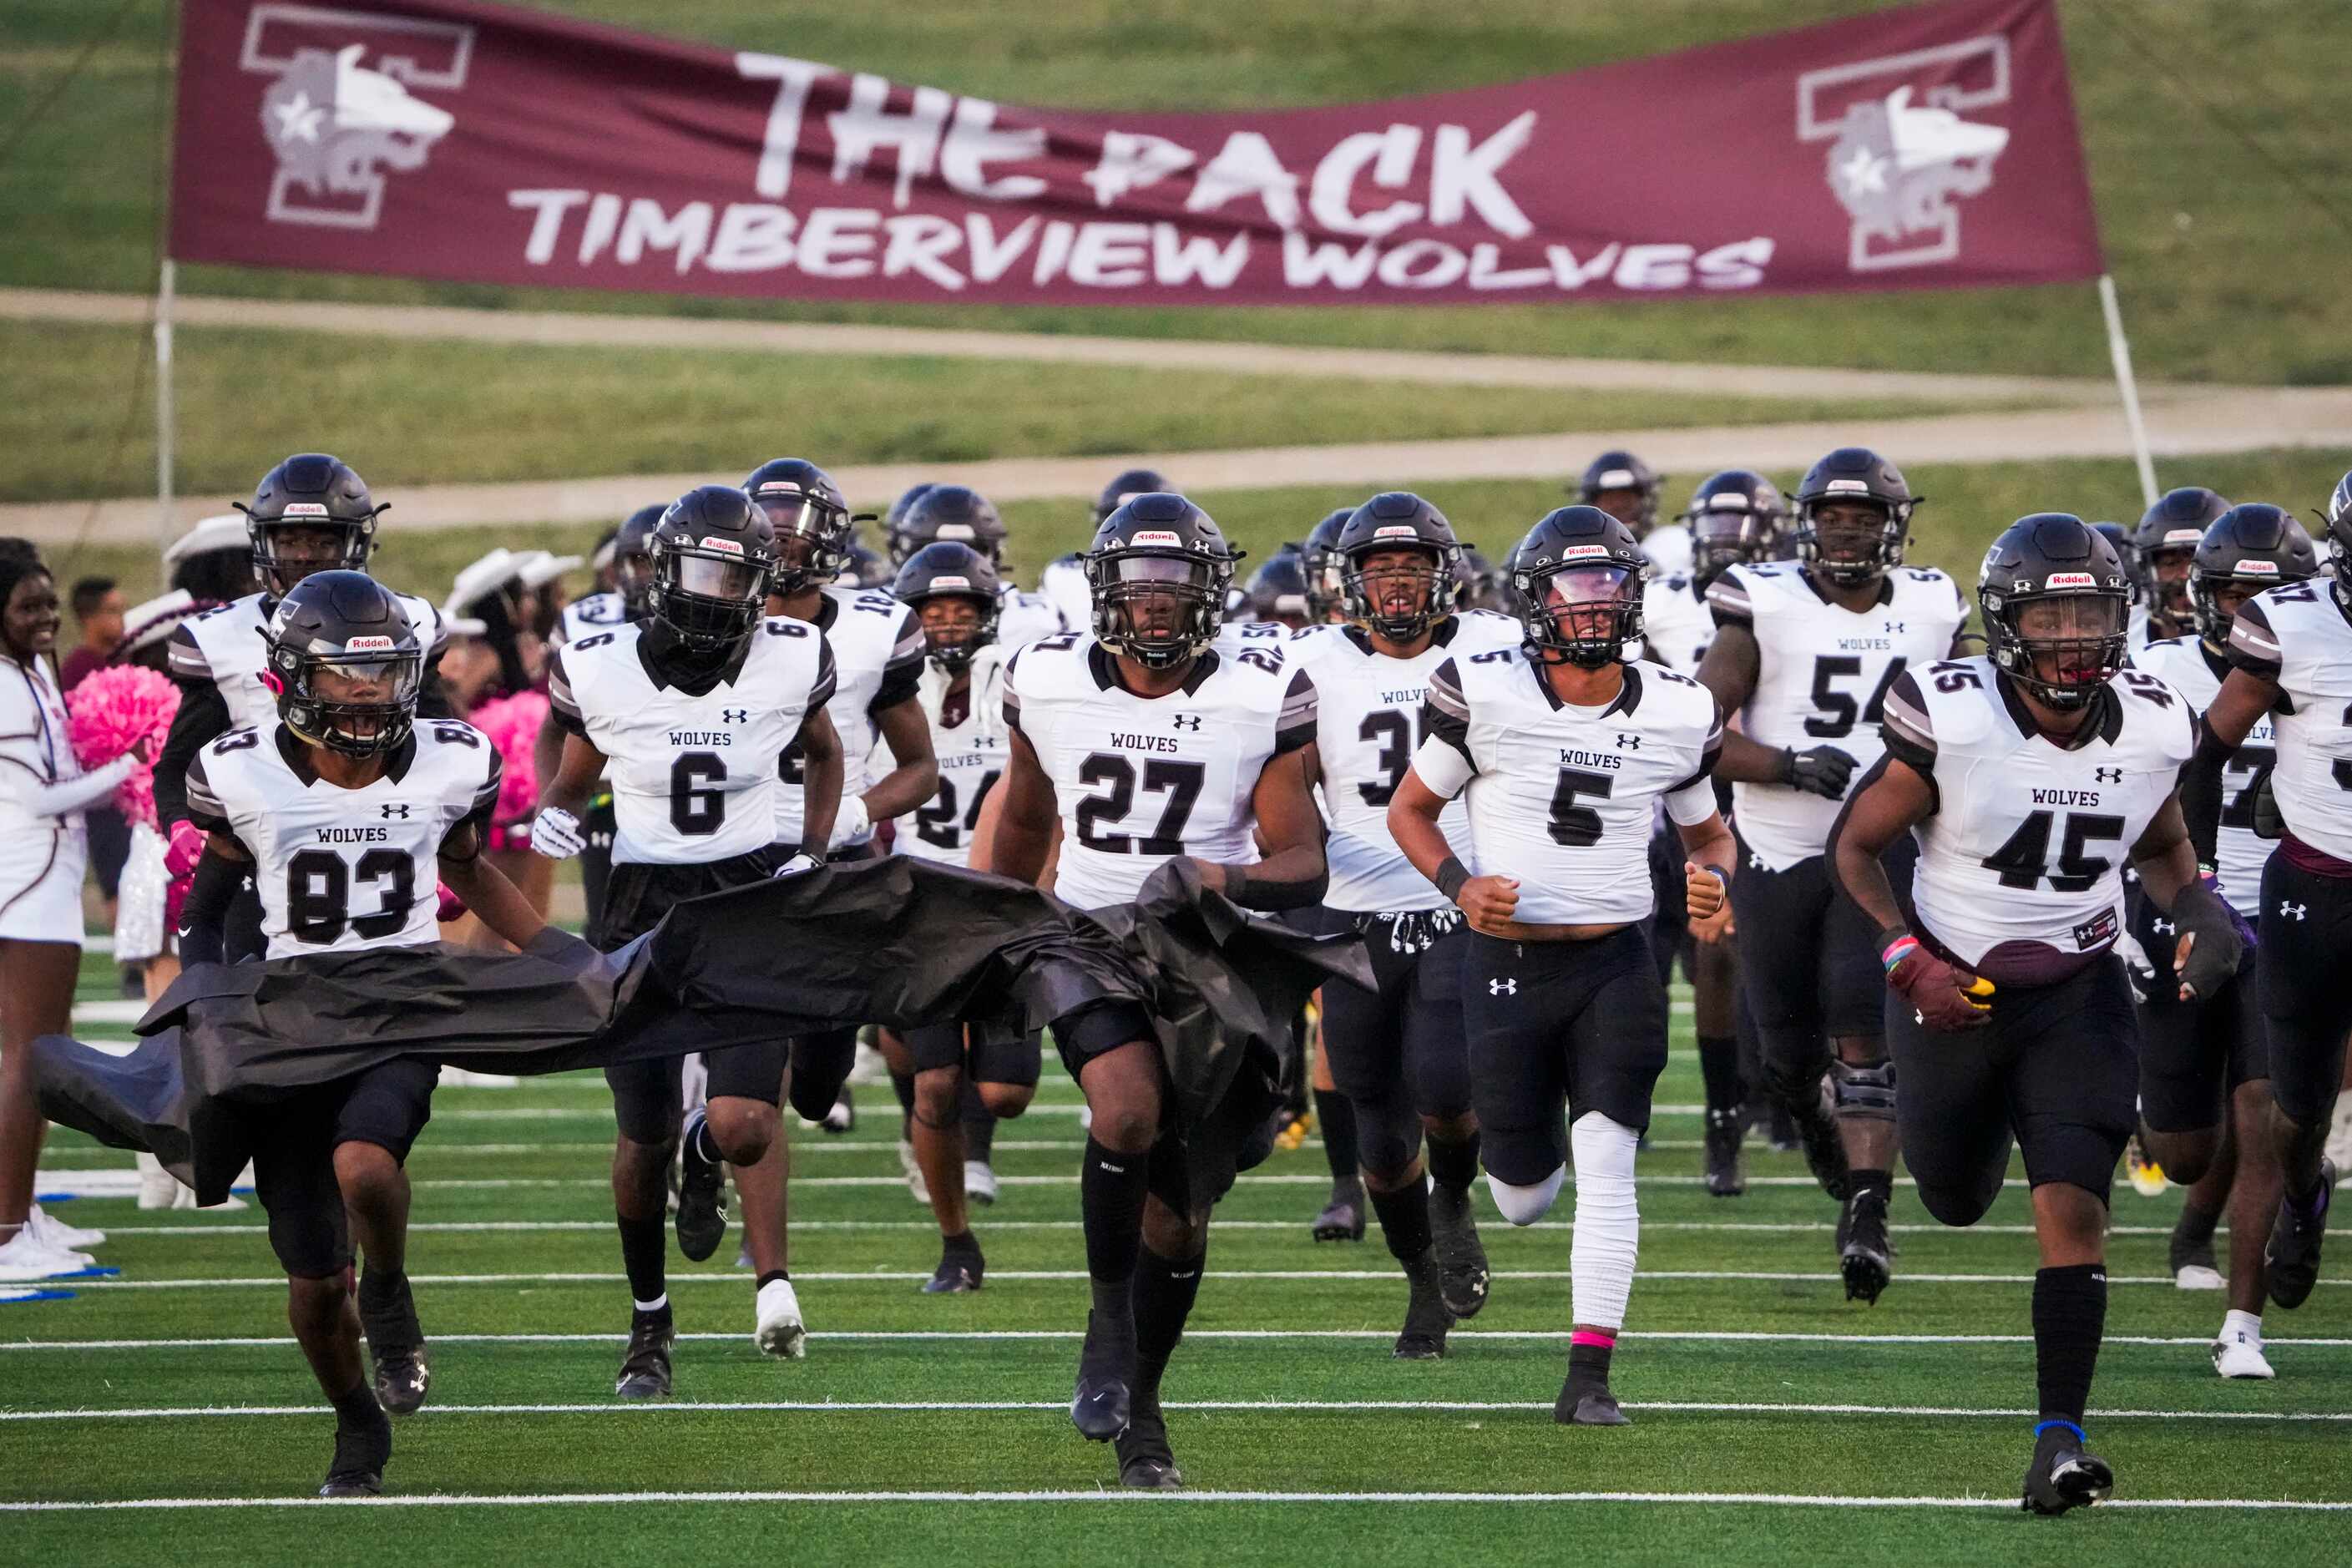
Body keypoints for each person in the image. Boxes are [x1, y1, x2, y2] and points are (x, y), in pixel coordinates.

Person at [1828, 512, 2237, 1514]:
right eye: (2049, 616)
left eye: (2090, 614)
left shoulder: (2150, 720)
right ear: (2007, 625)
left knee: (2076, 1206)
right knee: (1955, 1196)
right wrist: (1903, 956)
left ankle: (2060, 1440)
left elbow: (2163, 844)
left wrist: (2202, 907)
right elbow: (1853, 846)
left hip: (2078, 991)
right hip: (1952, 987)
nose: (2071, 638)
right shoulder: (1952, 715)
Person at [985, 490, 1326, 1488]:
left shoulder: (1259, 690)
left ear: (1209, 596)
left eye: (1177, 589)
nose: (1158, 607)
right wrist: (1000, 929)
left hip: (1207, 958)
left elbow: (1302, 859)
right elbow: (1023, 817)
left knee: (1178, 1219)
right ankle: (1102, 1321)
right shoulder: (1045, 678)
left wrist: (1221, 877)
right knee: (1124, 1112)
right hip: (1089, 936)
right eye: (1140, 590)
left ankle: (1145, 1404)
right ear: (1107, 596)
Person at [176, 570, 544, 1492]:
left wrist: (565, 956)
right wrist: (205, 1006)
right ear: (296, 675)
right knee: (308, 1283)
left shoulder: (450, 758)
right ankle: (354, 1420)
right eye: (345, 673)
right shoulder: (240, 769)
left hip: (400, 1004)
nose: (368, 692)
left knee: (365, 1163)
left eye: (382, 672)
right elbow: (209, 911)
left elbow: (471, 867)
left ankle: (388, 1284)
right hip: (288, 1019)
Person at [1388, 503, 1733, 1424]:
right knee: (1524, 1196)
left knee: (1609, 1160)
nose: (1592, 606)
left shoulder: (1679, 704)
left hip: (1618, 960)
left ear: (1633, 596)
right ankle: (1466, 1195)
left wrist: (1712, 881)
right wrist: (1461, 886)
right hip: (1505, 960)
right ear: (1538, 603)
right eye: (1575, 590)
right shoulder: (1486, 690)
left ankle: (1589, 1377)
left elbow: (1712, 837)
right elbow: (1410, 812)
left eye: (1608, 586)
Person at [532, 483, 844, 1389]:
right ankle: (648, 1324)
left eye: (732, 572)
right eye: (699, 567)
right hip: (641, 909)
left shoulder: (790, 656)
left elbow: (824, 752)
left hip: (747, 902)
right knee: (640, 1131)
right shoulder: (599, 662)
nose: (712, 589)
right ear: (663, 569)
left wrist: (811, 849)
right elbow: (576, 766)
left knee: (746, 1124)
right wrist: (553, 812)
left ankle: (703, 1159)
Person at [1694, 446, 1968, 1303]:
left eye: (1864, 517)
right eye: (1831, 517)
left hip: (1880, 853)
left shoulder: (1932, 605)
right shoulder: (1761, 601)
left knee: (1864, 1039)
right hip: (1778, 852)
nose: (1846, 531)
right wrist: (1779, 763)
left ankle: (1868, 1214)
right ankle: (1820, 1134)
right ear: (1805, 524)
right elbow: (1695, 729)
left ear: (1895, 526)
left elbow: (1974, 714)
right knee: (1786, 1058)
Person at [1292, 492, 1518, 1357]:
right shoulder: (1309, 660)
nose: (1395, 587)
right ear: (1350, 582)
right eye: (1381, 571)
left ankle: (1455, 1197)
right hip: (1353, 910)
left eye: (1412, 569)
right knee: (1378, 1135)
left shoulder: (1498, 645)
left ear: (1443, 574)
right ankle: (1420, 1275)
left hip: (1456, 902)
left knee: (1447, 1089)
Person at [2126, 503, 2312, 1377]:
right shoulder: (2155, 668)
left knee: (2265, 1111)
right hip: (2185, 910)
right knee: (2184, 1147)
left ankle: (2243, 1324)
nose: (2247, 613)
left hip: (2286, 916)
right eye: (2233, 594)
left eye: (2264, 596)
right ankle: (2165, 1156)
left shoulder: (2322, 655)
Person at [746, 458, 934, 1292]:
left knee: (818, 1086)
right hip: (736, 861)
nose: (784, 544)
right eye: (769, 526)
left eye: (798, 527)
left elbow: (921, 765)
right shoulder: (710, 616)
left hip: (835, 860)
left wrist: (854, 811)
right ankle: (755, 1234)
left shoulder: (872, 625)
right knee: (748, 1057)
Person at [155, 456, 448, 969]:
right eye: (290, 541)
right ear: (264, 543)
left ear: (354, 542)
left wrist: (450, 852)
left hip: (385, 832)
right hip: (266, 843)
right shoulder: (218, 638)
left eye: (323, 541)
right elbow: (180, 762)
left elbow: (439, 741)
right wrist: (182, 827)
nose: (306, 556)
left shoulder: (409, 623)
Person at [2176, 468, 2352, 1317]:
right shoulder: (2291, 622)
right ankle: (2304, 1196)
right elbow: (2207, 751)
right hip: (2314, 890)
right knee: (2297, 1109)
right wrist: (2201, 882)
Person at [881, 542, 1038, 1291]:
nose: (946, 625)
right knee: (936, 1086)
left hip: (1001, 901)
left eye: (960, 611)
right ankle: (955, 1244)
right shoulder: (882, 685)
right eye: (932, 612)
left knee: (1005, 1092)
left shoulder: (1021, 677)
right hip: (921, 902)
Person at [0, 541, 144, 1282]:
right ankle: (5, 1230)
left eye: (49, 602)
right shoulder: (7, 685)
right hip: (28, 886)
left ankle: (19, 1212)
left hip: (43, 882)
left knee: (39, 1058)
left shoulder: (30, 677)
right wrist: (131, 763)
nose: (45, 617)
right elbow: (37, 798)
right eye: (27, 606)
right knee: (29, 1062)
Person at [1646, 470, 1788, 1196]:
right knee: (1703, 954)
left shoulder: (1788, 596)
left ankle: (1774, 1095)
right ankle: (1721, 1120)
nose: (1724, 541)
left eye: (1740, 526)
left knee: (1758, 956)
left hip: (1766, 786)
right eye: (1714, 526)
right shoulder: (1661, 598)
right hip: (1677, 788)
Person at [539, 506, 661, 943]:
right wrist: (549, 804)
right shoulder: (584, 626)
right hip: (605, 795)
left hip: (683, 796)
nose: (643, 575)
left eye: (653, 561)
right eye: (635, 562)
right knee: (609, 927)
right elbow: (551, 729)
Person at [2133, 487, 2229, 643]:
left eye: (2197, 562)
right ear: (2150, 570)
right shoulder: (2126, 634)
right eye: (2171, 563)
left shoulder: (2253, 633)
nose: (2185, 574)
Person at [1576, 451, 1686, 577]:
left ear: (1646, 500)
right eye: (1609, 500)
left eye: (1626, 498)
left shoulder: (1675, 542)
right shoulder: (1580, 554)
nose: (1619, 505)